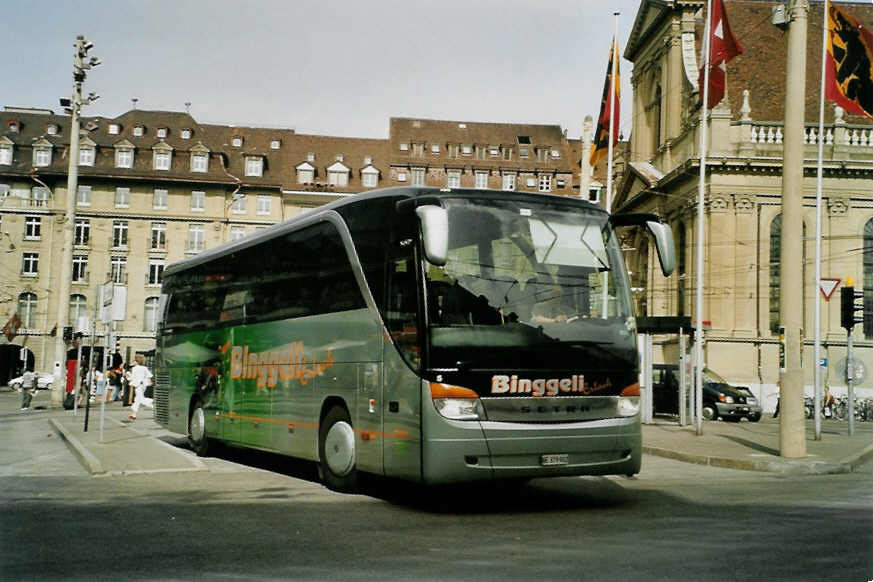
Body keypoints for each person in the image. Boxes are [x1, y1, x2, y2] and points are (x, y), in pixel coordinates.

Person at [128, 354, 154, 421]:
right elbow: (149, 376)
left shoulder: (134, 368)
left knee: (140, 399)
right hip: (143, 385)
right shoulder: (144, 368)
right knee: (138, 399)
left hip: (138, 385)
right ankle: (133, 414)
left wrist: (128, 377)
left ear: (136, 360)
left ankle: (155, 405)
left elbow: (132, 378)